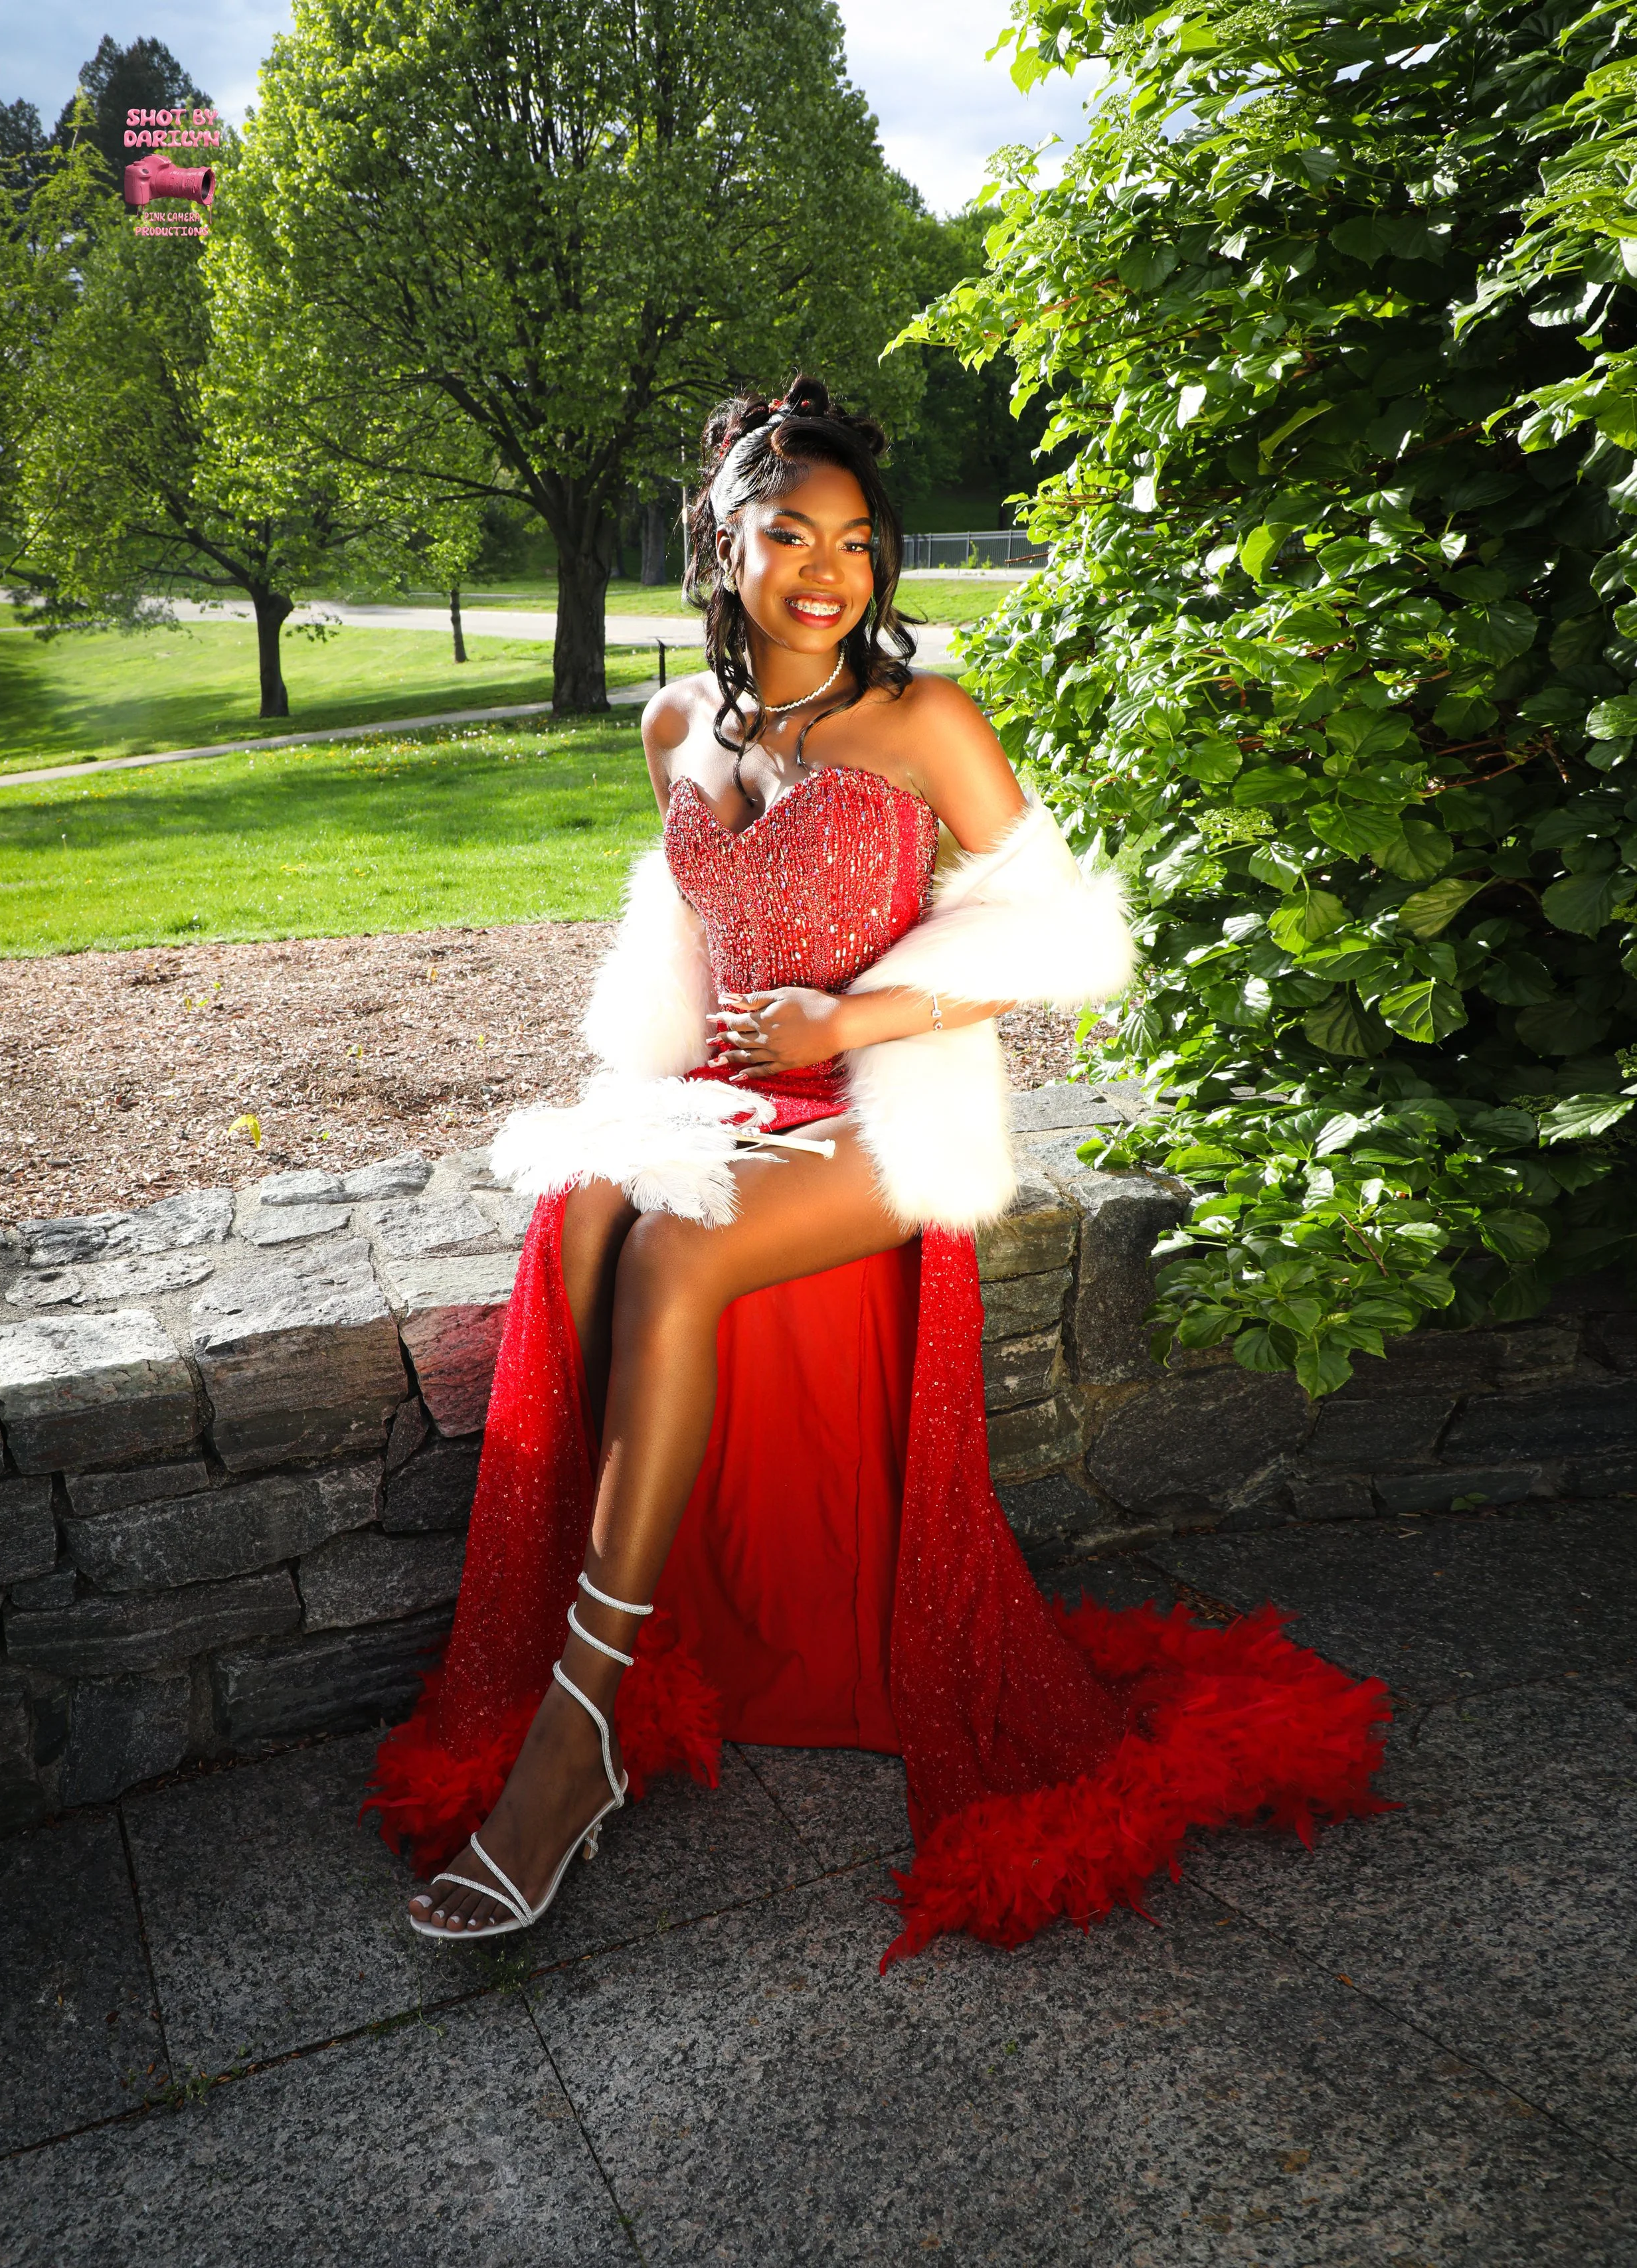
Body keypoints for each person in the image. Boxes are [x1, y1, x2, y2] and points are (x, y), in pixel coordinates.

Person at [369, 376, 1389, 1962]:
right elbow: (703, 945)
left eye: (854, 538)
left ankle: (576, 1732)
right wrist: (687, 1081)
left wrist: (858, 1011)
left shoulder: (925, 722)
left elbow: (1068, 934)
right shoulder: (673, 726)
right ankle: (614, 1657)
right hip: (731, 1093)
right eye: (789, 532)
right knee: (580, 1215)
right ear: (720, 539)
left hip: (882, 1105)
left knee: (679, 1253)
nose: (828, 569)